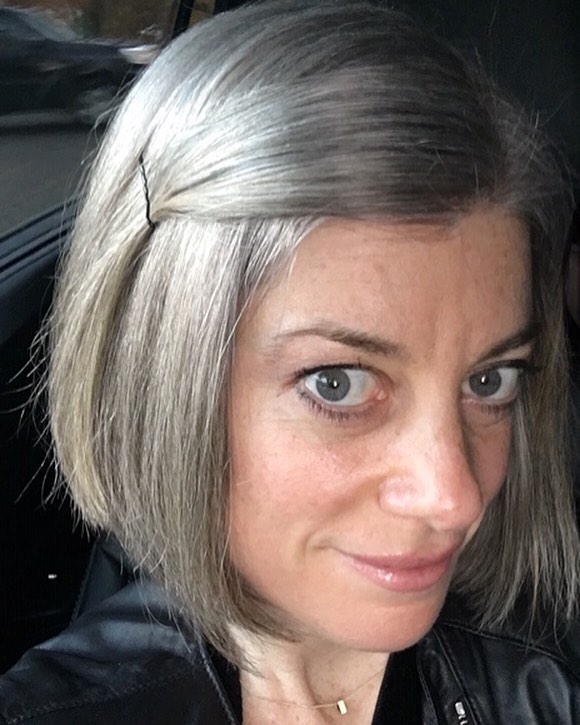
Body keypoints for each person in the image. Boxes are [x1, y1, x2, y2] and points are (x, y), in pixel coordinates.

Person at [1, 1, 579, 722]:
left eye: (489, 381)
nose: (454, 496)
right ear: (166, 382)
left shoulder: (546, 686)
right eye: (338, 384)